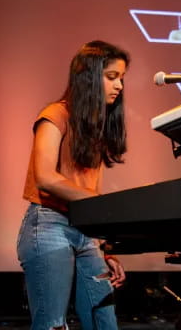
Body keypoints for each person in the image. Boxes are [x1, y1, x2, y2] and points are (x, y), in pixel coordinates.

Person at [17, 40, 129, 330]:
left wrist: (107, 248)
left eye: (121, 79)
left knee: (105, 322)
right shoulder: (55, 115)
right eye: (112, 77)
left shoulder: (95, 129)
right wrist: (102, 206)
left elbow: (88, 191)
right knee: (52, 324)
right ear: (89, 76)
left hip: (86, 233)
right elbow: (45, 177)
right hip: (50, 225)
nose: (119, 86)